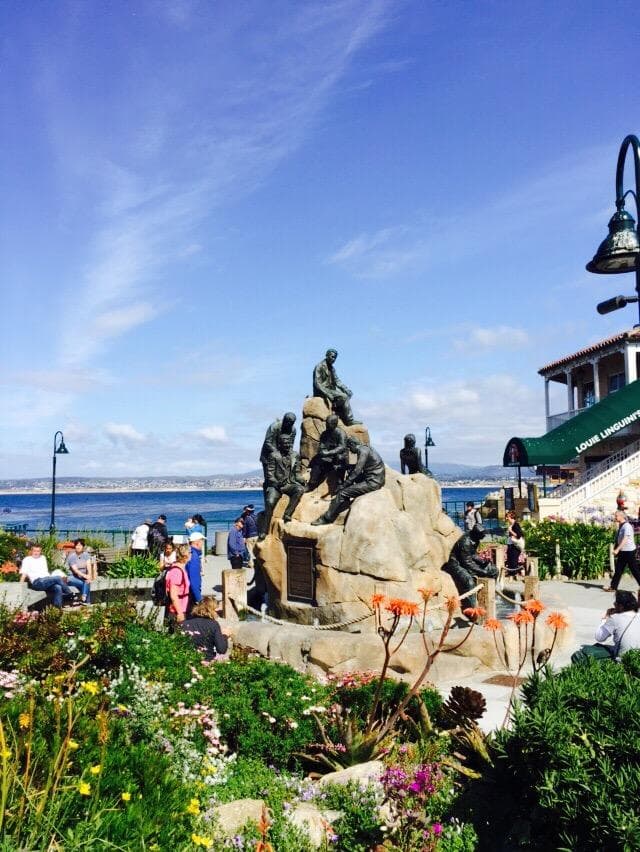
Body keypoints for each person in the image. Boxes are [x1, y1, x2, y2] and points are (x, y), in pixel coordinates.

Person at [312, 436, 385, 525]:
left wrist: (344, 485)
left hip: (373, 482)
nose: (350, 450)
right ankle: (345, 502)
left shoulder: (363, 451)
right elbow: (355, 467)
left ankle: (326, 518)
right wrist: (341, 467)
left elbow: (357, 471)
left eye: (349, 447)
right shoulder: (365, 448)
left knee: (342, 493)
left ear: (352, 444)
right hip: (375, 478)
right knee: (350, 475)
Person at [571, 590, 640, 663]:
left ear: (621, 606)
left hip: (622, 661)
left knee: (581, 655)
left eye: (615, 603)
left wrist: (606, 617)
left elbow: (599, 637)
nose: (614, 604)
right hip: (637, 658)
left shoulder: (615, 618)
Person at [260, 434, 305, 539]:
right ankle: (264, 529)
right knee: (270, 502)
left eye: (288, 443)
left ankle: (287, 514)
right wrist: (275, 483)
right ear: (280, 444)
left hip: (289, 484)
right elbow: (269, 473)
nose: (287, 445)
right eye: (285, 443)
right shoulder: (274, 455)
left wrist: (301, 480)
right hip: (276, 486)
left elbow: (297, 472)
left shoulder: (295, 455)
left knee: (299, 490)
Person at [442, 527, 498, 609]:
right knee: (469, 582)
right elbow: (467, 563)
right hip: (457, 564)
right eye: (482, 535)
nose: (484, 536)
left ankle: (493, 596)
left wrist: (482, 561)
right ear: (476, 534)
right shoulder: (465, 542)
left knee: (494, 570)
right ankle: (473, 610)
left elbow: (473, 555)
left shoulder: (475, 538)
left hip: (467, 562)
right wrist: (483, 571)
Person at [313, 349, 361, 425]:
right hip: (322, 390)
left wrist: (346, 389)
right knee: (344, 396)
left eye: (335, 357)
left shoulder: (332, 368)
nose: (333, 359)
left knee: (346, 394)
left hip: (331, 390)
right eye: (332, 357)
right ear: (327, 355)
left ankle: (335, 407)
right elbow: (317, 383)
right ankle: (349, 420)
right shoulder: (319, 366)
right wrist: (327, 394)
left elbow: (337, 381)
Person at [19, 544, 75, 609]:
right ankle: (70, 594)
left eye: (38, 551)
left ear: (40, 551)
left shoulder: (43, 558)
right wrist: (19, 586)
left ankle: (57, 609)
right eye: (34, 551)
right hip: (37, 582)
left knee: (58, 587)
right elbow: (24, 574)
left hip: (46, 580)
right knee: (58, 578)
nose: (36, 553)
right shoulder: (27, 559)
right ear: (31, 551)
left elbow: (45, 573)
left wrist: (51, 578)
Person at [306, 414, 349, 493]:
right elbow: (322, 445)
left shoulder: (341, 433)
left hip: (338, 456)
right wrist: (322, 451)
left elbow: (342, 447)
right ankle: (312, 484)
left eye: (328, 424)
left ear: (334, 424)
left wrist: (328, 453)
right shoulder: (324, 434)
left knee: (340, 459)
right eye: (326, 423)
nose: (326, 425)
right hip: (328, 457)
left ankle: (340, 483)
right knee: (318, 462)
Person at [180, 596, 231, 661]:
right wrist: (225, 635)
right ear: (212, 610)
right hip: (207, 662)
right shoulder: (213, 625)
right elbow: (221, 649)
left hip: (187, 661)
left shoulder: (184, 624)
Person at [604, 510, 640, 592]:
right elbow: (619, 539)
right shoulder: (621, 525)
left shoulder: (626, 526)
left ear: (621, 516)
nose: (615, 517)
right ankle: (613, 587)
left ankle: (613, 587)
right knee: (619, 569)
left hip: (629, 551)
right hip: (623, 551)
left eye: (616, 516)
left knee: (634, 570)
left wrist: (617, 549)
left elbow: (625, 539)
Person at [260, 413, 297, 481]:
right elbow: (268, 442)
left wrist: (290, 455)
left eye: (291, 423)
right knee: (269, 479)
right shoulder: (274, 426)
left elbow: (291, 444)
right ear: (284, 420)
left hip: (284, 457)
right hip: (268, 456)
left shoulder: (293, 430)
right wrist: (277, 453)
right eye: (287, 422)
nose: (289, 424)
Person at [165, 543, 191, 628]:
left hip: (182, 608)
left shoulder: (181, 568)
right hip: (176, 610)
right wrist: (180, 613)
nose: (191, 554)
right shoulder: (177, 572)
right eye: (190, 552)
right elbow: (173, 595)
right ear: (185, 556)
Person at [64, 538, 94, 604]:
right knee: (85, 583)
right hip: (72, 577)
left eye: (80, 545)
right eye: (77, 545)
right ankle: (87, 601)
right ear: (75, 546)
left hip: (82, 577)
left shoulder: (86, 555)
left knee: (86, 582)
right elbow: (75, 571)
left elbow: (89, 566)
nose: (78, 547)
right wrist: (85, 576)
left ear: (83, 546)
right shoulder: (72, 556)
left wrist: (89, 575)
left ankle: (84, 598)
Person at [186, 531, 205, 612]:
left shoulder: (189, 552)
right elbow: (194, 580)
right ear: (197, 542)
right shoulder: (194, 556)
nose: (202, 544)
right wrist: (199, 599)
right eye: (202, 542)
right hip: (191, 593)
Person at [505, 510, 525, 577]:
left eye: (507, 517)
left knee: (513, 561)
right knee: (510, 560)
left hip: (515, 546)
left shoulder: (516, 525)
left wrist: (510, 531)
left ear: (511, 517)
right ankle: (512, 574)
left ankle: (518, 572)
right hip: (511, 545)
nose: (506, 518)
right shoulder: (511, 524)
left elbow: (519, 535)